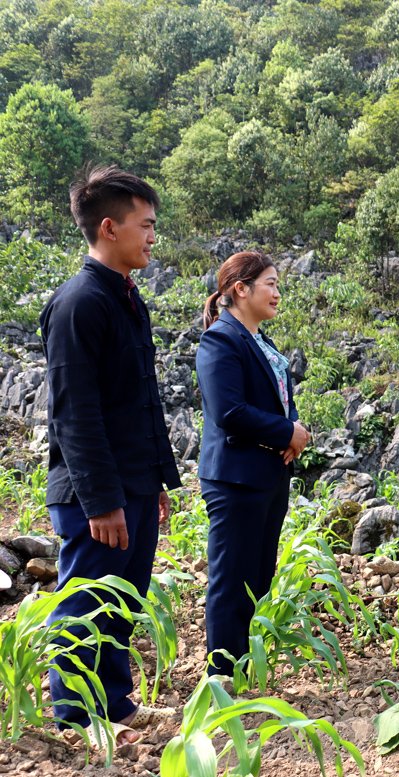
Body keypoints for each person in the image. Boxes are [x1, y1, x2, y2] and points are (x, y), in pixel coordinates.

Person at [41, 165, 181, 747]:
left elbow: (139, 405)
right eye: (145, 225)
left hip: (133, 485)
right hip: (95, 494)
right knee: (87, 600)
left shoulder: (126, 299)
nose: (152, 236)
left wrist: (155, 486)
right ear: (108, 228)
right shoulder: (79, 305)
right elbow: (75, 414)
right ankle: (75, 718)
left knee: (123, 598)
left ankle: (116, 703)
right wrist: (102, 501)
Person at [195, 251, 310, 678]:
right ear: (240, 289)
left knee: (258, 576)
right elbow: (229, 411)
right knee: (231, 580)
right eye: (270, 283)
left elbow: (277, 397)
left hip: (267, 475)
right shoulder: (221, 339)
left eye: (278, 284)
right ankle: (221, 677)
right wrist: (286, 432)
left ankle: (241, 668)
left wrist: (293, 433)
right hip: (235, 478)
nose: (277, 293)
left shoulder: (260, 339)